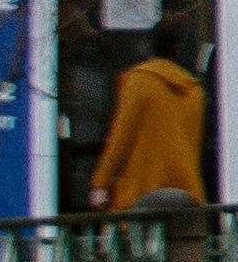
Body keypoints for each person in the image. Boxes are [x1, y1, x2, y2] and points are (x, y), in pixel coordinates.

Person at [89, 42, 207, 219]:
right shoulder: (193, 90)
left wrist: (101, 184)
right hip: (187, 195)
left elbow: (121, 138)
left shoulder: (140, 81)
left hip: (141, 193)